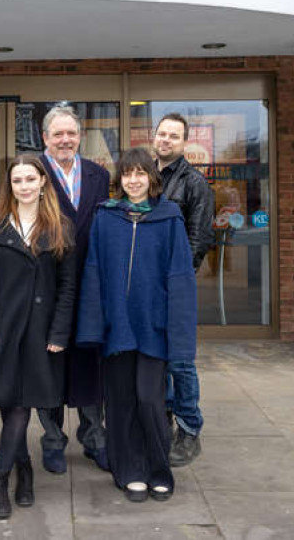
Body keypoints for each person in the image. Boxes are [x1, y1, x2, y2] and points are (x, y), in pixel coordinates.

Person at [77, 147, 197, 503]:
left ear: (152, 178)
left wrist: (178, 332)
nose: (133, 181)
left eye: (140, 173)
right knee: (120, 401)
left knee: (150, 399)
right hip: (117, 327)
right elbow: (94, 271)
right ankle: (128, 470)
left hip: (153, 327)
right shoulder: (106, 216)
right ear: (120, 180)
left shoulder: (169, 217)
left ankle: (158, 469)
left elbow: (180, 278)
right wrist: (92, 326)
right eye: (127, 174)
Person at [0, 155, 77, 519]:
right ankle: (24, 467)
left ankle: (2, 477)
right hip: (2, 331)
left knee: (22, 405)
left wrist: (60, 331)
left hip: (41, 333)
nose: (25, 186)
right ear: (10, 187)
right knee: (8, 402)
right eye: (18, 181)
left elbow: (67, 288)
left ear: (43, 181)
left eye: (31, 179)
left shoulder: (60, 227)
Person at [35, 105, 111, 474]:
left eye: (71, 133)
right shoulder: (32, 174)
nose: (65, 140)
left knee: (89, 364)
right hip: (46, 287)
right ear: (44, 138)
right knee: (48, 365)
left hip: (91, 286)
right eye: (57, 134)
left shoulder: (99, 174)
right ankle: (52, 440)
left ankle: (94, 437)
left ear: (79, 136)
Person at [153, 113, 215, 467]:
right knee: (156, 357)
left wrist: (177, 276)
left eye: (173, 136)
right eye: (162, 134)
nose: (166, 140)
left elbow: (201, 237)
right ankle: (161, 417)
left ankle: (189, 428)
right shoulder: (144, 177)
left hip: (175, 284)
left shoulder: (194, 183)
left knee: (180, 360)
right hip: (147, 284)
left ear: (184, 142)